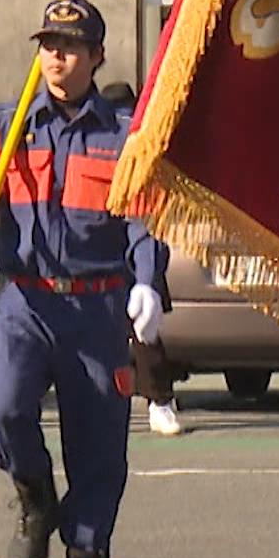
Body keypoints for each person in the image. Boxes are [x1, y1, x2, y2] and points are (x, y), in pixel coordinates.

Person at [0, 0, 167, 558]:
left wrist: (146, 281)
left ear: (96, 56)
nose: (55, 58)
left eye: (69, 47)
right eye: (47, 45)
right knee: (1, 403)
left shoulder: (126, 134)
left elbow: (145, 217)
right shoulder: (8, 124)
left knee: (99, 454)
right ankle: (35, 495)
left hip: (97, 307)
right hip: (27, 300)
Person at [98, 81, 184, 437]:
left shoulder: (146, 147)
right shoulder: (100, 146)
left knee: (147, 333)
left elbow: (152, 217)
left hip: (142, 250)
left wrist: (149, 275)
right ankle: (128, 401)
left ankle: (160, 401)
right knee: (107, 334)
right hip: (106, 255)